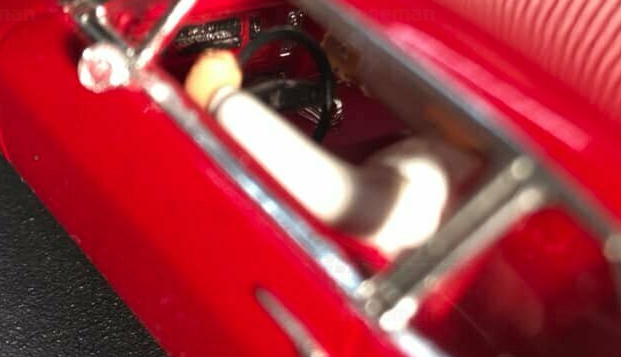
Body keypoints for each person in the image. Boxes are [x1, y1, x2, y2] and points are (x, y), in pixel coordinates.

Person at [184, 47, 450, 259]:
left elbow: (339, 195)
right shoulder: (458, 148)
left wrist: (221, 99)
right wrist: (361, 64)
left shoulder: (427, 200)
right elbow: (435, 112)